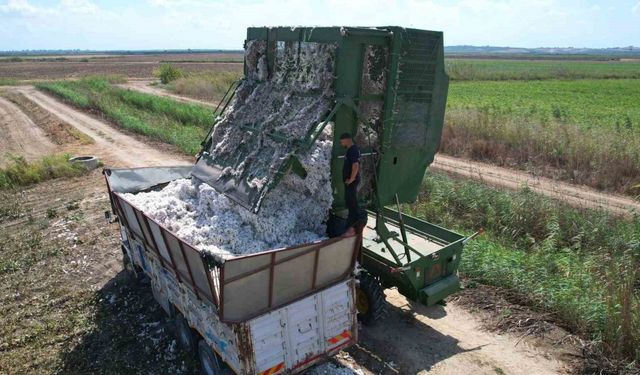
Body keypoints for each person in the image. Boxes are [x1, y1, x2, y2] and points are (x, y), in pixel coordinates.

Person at [340, 132, 360, 231]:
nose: (341, 144)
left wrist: (351, 179)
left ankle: (354, 221)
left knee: (351, 201)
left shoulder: (353, 150)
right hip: (349, 181)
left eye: (342, 142)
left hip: (351, 181)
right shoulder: (351, 150)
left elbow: (355, 165)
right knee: (349, 200)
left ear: (346, 140)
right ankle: (353, 219)